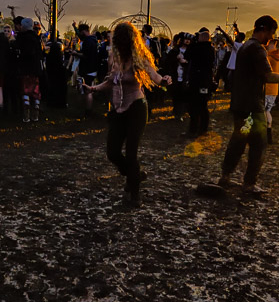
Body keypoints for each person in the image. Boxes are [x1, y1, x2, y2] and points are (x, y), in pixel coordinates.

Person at [217, 15, 279, 195]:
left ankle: (225, 176)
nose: (272, 37)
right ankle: (249, 183)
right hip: (252, 106)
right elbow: (269, 76)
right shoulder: (257, 49)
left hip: (240, 103)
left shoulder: (245, 46)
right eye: (272, 33)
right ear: (265, 30)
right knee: (258, 144)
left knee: (238, 141)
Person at [84, 22, 171, 207]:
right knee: (113, 153)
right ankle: (135, 175)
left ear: (131, 42)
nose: (121, 46)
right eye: (118, 42)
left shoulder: (139, 58)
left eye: (124, 42)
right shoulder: (114, 58)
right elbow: (110, 82)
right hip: (117, 110)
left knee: (131, 154)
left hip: (136, 108)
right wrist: (92, 88)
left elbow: (155, 77)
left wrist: (164, 80)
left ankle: (135, 195)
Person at [185, 28, 215, 137]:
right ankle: (203, 128)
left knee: (194, 106)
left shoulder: (197, 47)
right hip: (205, 81)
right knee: (203, 105)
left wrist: (193, 43)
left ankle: (193, 129)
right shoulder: (211, 49)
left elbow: (187, 55)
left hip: (196, 80)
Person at [14, 17, 44, 122]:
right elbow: (40, 53)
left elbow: (18, 51)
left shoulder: (21, 38)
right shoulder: (36, 38)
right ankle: (36, 111)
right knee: (36, 90)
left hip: (25, 67)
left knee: (25, 89)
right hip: (35, 68)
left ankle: (26, 113)